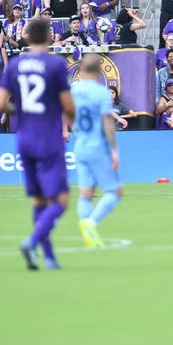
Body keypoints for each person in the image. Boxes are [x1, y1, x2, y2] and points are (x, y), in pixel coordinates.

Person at [0, 18, 76, 270]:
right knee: (61, 201)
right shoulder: (54, 64)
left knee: (39, 201)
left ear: (27, 38)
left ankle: (49, 258)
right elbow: (68, 105)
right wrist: (68, 120)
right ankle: (31, 242)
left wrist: (20, 109)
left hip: (24, 138)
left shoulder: (16, 64)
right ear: (50, 38)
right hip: (47, 139)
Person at [71, 55, 122, 248]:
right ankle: (91, 223)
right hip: (97, 146)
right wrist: (114, 150)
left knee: (85, 192)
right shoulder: (101, 93)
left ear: (81, 71)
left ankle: (88, 236)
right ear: (99, 72)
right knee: (115, 191)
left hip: (80, 145)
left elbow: (65, 114)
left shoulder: (73, 90)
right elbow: (107, 123)